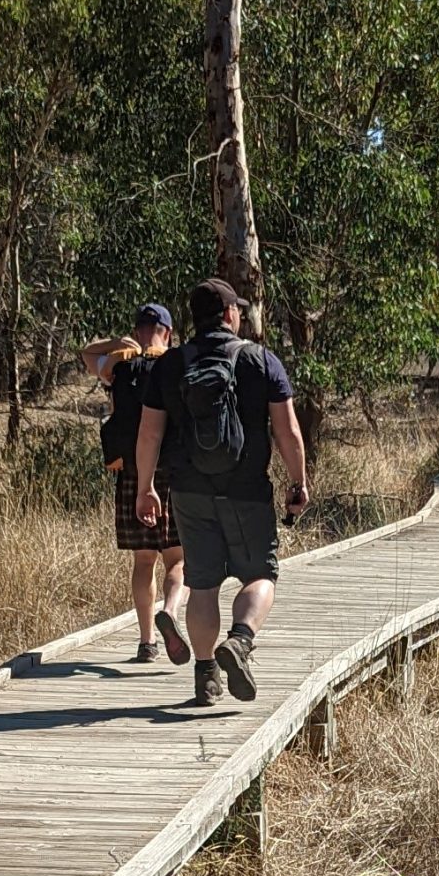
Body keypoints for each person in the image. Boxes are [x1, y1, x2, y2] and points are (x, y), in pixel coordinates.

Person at [134, 278, 309, 706]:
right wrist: (298, 482)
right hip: (247, 488)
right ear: (231, 314)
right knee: (260, 574)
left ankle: (206, 676)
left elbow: (148, 435)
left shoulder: (169, 365)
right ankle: (241, 640)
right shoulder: (260, 360)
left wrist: (146, 488)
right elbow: (287, 430)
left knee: (203, 583)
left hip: (189, 491)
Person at [80, 304, 191, 666]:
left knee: (143, 561)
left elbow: (86, 353)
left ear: (138, 329)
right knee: (177, 558)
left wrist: (119, 343)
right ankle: (170, 613)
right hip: (173, 471)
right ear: (168, 332)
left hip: (131, 472)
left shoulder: (119, 366)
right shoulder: (176, 365)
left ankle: (146, 643)